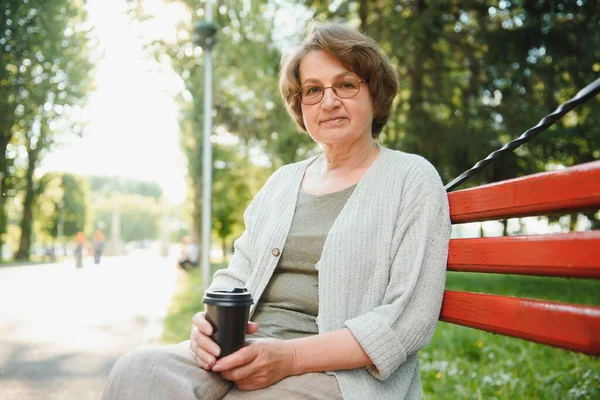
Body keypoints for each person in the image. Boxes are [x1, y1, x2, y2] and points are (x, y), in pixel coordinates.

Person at [102, 22, 450, 400]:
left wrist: (290, 356)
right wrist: (208, 325)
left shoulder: (411, 178)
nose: (329, 101)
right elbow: (237, 272)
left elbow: (407, 321)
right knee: (138, 371)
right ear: (300, 104)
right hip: (243, 352)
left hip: (340, 374)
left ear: (375, 92)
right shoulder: (282, 182)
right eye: (313, 90)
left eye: (346, 84)